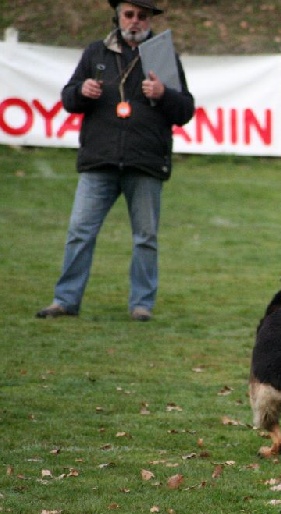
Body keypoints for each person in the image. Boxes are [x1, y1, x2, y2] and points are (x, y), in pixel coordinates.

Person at [35, 0, 195, 322]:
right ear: (119, 17)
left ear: (150, 20)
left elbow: (185, 111)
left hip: (146, 162)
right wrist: (82, 90)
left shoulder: (162, 56)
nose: (135, 21)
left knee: (145, 239)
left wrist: (164, 93)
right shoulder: (96, 52)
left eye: (142, 16)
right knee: (80, 231)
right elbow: (67, 100)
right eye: (129, 15)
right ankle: (65, 301)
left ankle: (141, 305)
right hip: (100, 160)